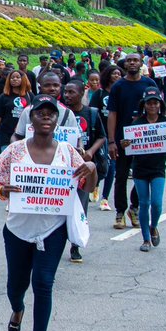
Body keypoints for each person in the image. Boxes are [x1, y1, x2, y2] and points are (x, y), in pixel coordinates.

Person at [0, 96, 96, 331]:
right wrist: (3, 190)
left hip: (52, 230)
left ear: (57, 119)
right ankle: (17, 310)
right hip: (17, 230)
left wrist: (93, 168)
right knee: (16, 285)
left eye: (52, 113)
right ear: (31, 118)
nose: (47, 118)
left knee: (43, 282)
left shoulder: (67, 152)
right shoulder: (15, 151)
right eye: (41, 113)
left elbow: (86, 185)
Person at [119, 87, 166, 252]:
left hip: (158, 169)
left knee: (156, 203)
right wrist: (124, 144)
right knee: (144, 203)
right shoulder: (137, 123)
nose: (152, 106)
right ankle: (146, 239)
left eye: (155, 103)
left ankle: (153, 226)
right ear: (144, 105)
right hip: (140, 168)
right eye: (149, 103)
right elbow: (128, 146)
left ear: (160, 104)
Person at [106, 53, 157, 230]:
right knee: (120, 176)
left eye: (135, 60)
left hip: (145, 140)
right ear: (125, 64)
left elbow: (158, 110)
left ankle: (134, 208)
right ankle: (120, 211)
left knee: (142, 176)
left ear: (141, 63)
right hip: (123, 140)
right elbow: (112, 114)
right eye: (129, 60)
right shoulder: (118, 86)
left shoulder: (149, 84)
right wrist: (112, 141)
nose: (132, 63)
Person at [63, 79, 105, 263]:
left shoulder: (91, 113)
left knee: (80, 205)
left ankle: (75, 245)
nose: (67, 95)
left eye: (72, 92)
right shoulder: (60, 113)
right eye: (66, 92)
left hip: (83, 168)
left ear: (81, 93)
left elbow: (102, 137)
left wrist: (90, 152)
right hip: (63, 167)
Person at [90, 64, 122, 210]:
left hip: (115, 136)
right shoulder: (100, 94)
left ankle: (105, 198)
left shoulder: (121, 93)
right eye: (114, 73)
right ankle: (95, 184)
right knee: (99, 165)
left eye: (119, 74)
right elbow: (92, 113)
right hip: (100, 135)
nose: (117, 76)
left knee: (112, 167)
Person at [0, 69, 30, 156]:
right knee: (4, 159)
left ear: (23, 79)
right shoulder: (3, 97)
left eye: (17, 77)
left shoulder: (29, 96)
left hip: (21, 136)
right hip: (4, 134)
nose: (14, 79)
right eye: (12, 78)